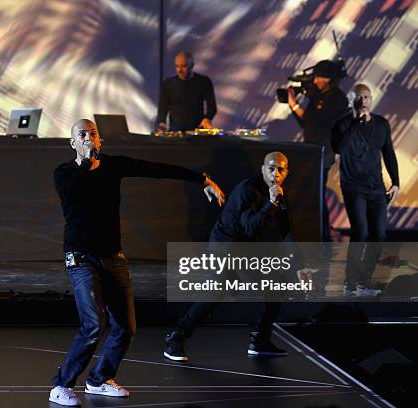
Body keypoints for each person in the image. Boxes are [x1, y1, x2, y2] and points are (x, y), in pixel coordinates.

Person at [49, 119, 225, 406]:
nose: (88, 138)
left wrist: (201, 180)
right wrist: (88, 162)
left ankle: (99, 379)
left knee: (126, 326)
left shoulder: (113, 165)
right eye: (82, 135)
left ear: (100, 139)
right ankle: (61, 385)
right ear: (73, 143)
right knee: (94, 323)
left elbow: (155, 169)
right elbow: (75, 193)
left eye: (93, 134)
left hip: (113, 256)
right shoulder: (64, 173)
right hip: (81, 257)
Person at [164, 152, 293, 362]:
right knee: (218, 290)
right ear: (262, 170)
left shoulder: (279, 194)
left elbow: (287, 229)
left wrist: (300, 265)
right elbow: (251, 227)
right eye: (271, 168)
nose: (275, 173)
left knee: (276, 285)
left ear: (286, 172)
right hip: (225, 244)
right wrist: (271, 203)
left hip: (244, 247)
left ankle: (260, 341)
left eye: (281, 169)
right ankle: (176, 338)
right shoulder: (248, 190)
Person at [331, 83, 400, 296]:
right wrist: (355, 124)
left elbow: (388, 153)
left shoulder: (381, 124)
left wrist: (396, 182)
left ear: (371, 99)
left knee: (378, 234)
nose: (363, 101)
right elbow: (339, 149)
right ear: (352, 100)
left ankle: (364, 282)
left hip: (376, 187)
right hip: (353, 186)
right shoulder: (341, 125)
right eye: (359, 97)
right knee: (361, 231)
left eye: (367, 97)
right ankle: (349, 284)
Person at [287, 60, 348, 241]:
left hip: (323, 152)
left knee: (317, 192)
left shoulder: (337, 99)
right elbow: (306, 123)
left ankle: (322, 233)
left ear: (328, 79)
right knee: (313, 192)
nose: (315, 82)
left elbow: (317, 122)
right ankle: (317, 231)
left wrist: (295, 104)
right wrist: (293, 105)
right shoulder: (318, 97)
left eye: (319, 78)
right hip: (311, 151)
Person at [157, 51, 217, 132]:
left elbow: (212, 107)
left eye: (183, 66)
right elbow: (162, 107)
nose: (180, 70)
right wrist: (162, 122)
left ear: (192, 65)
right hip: (176, 132)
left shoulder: (204, 82)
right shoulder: (168, 84)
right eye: (177, 66)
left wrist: (207, 118)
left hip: (198, 131)